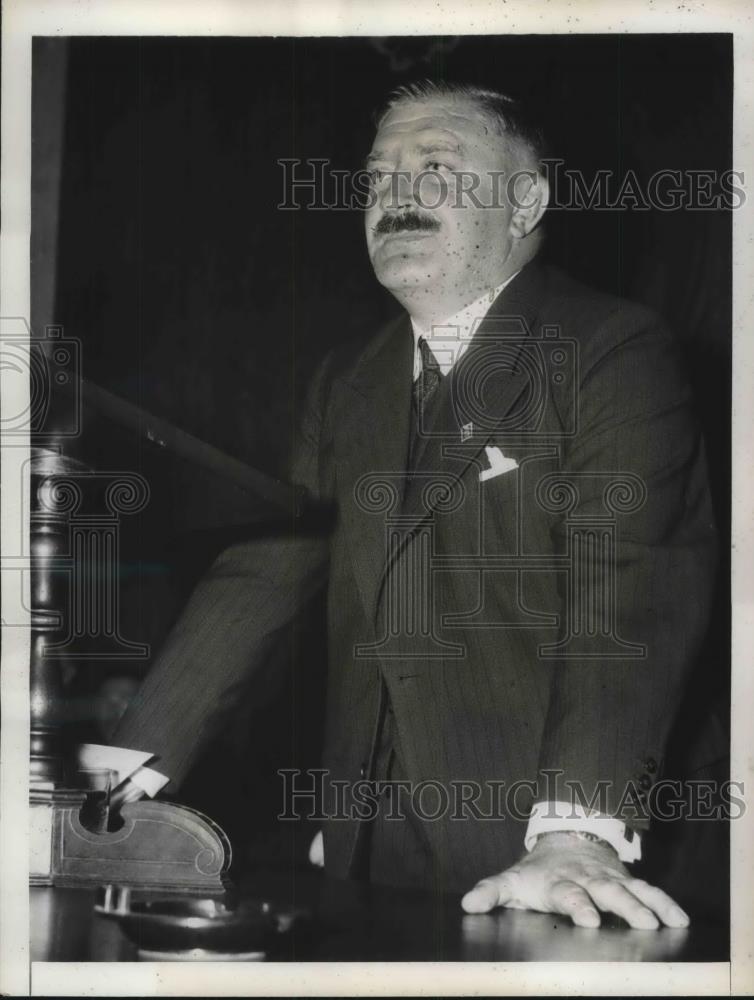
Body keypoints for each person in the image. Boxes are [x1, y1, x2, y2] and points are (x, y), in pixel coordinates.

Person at [98, 81, 717, 930]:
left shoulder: (614, 350)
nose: (397, 195)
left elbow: (630, 595)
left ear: (525, 202)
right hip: (366, 853)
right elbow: (263, 578)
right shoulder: (348, 380)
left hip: (555, 864)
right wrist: (110, 787)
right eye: (379, 176)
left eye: (435, 168)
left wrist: (577, 833)